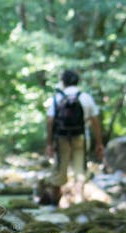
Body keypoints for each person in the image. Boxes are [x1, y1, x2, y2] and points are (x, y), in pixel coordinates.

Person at [44, 69, 104, 203]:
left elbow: (50, 121)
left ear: (63, 82)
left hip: (61, 138)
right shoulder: (85, 97)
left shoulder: (57, 97)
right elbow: (95, 122)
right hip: (81, 137)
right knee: (80, 170)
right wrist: (99, 144)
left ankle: (54, 205)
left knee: (59, 170)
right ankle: (78, 201)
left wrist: (49, 144)